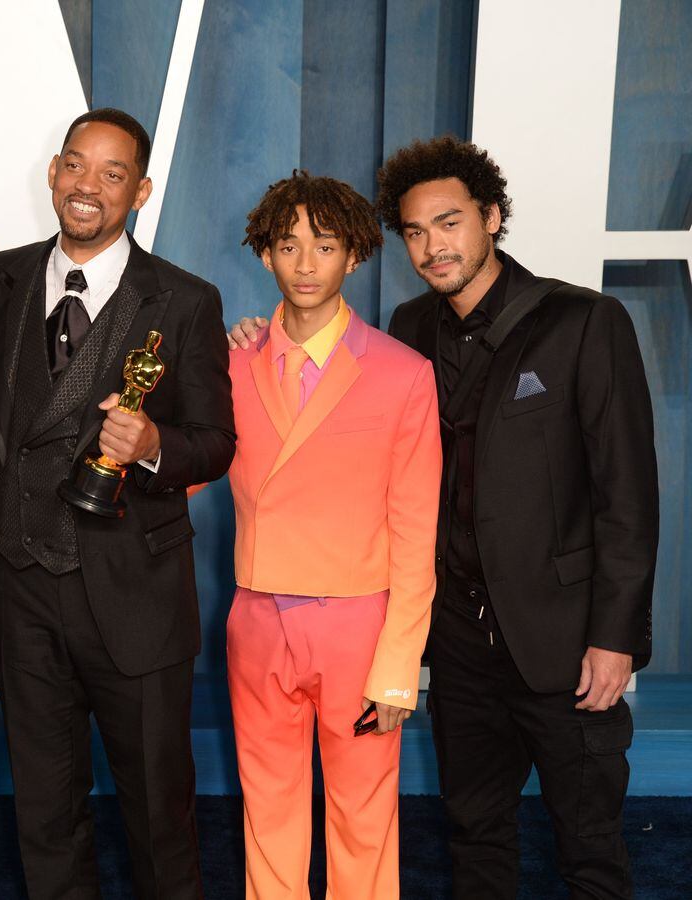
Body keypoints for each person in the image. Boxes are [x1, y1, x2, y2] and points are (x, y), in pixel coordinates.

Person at [231, 137, 660, 898]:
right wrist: (255, 343)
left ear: (492, 218)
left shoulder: (583, 322)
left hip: (561, 636)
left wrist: (614, 638)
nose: (434, 246)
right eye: (417, 232)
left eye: (451, 223)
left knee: (589, 846)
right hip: (460, 641)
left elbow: (627, 495)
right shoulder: (408, 330)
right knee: (475, 833)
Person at [0, 108, 235, 899]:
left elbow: (217, 442)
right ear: (53, 174)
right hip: (21, 587)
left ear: (141, 190)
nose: (88, 186)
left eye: (112, 172)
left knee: (159, 818)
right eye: (75, 166)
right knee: (46, 813)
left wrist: (155, 443)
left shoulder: (185, 301)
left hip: (135, 599)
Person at [222, 172, 440, 898]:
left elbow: (416, 531)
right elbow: (185, 475)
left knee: (363, 816)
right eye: (289, 246)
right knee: (268, 807)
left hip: (360, 623)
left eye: (325, 246)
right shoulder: (228, 363)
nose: (306, 264)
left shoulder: (403, 374)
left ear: (354, 255)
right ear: (265, 256)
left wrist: (399, 665)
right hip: (255, 615)